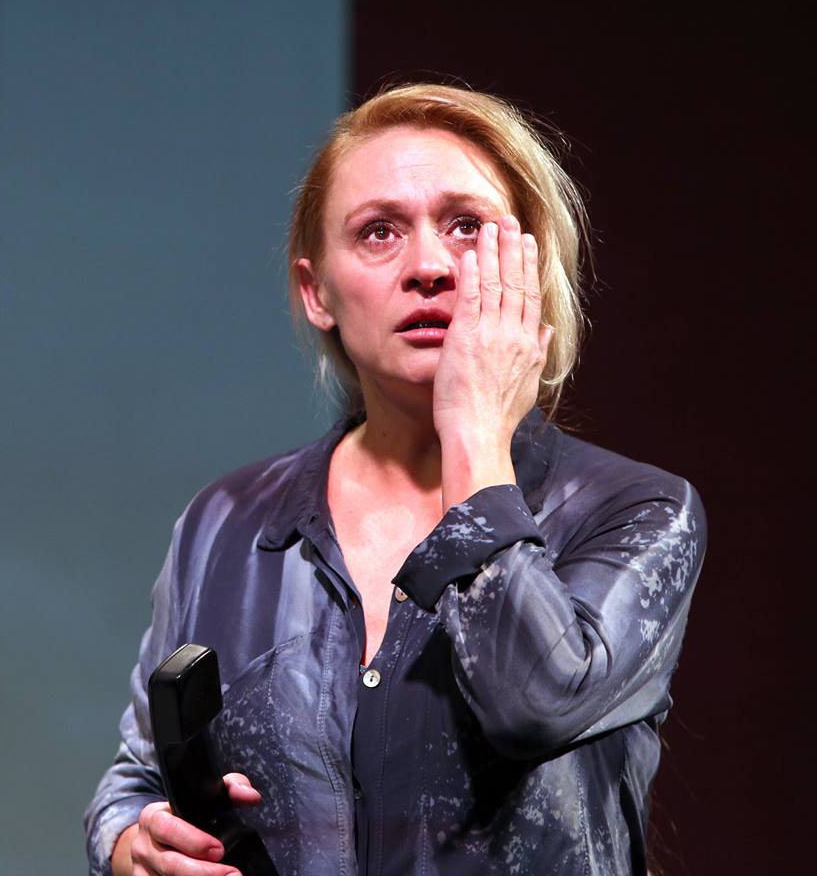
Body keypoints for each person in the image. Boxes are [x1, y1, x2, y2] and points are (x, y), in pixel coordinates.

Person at [85, 83, 706, 876]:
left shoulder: (636, 510)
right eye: (379, 232)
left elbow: (534, 706)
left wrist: (474, 435)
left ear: (529, 266)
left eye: (467, 226)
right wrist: (132, 843)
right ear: (317, 292)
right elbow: (139, 777)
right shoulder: (228, 521)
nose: (430, 267)